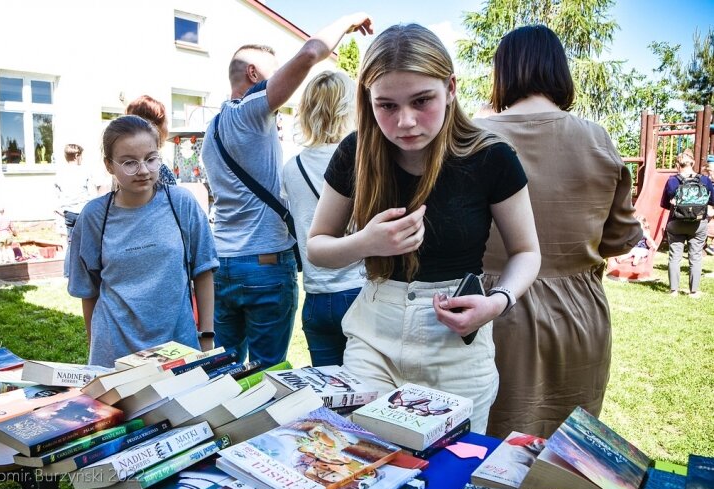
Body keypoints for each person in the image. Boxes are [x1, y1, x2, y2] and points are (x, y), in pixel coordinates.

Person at [306, 24, 541, 434]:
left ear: (450, 88)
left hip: (455, 344)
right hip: (373, 334)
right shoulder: (355, 153)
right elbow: (317, 247)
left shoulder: (491, 157)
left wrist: (497, 302)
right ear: (368, 101)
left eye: (421, 100)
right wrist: (366, 242)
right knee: (363, 458)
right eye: (387, 106)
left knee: (451, 475)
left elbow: (526, 251)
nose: (406, 122)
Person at [475, 25, 643, 439]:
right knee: (565, 446)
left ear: (503, 73)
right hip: (577, 315)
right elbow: (619, 238)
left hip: (490, 309)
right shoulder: (597, 139)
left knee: (486, 445)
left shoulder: (472, 137)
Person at [201, 13, 373, 367]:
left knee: (224, 370)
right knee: (268, 374)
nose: (283, 82)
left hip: (224, 263)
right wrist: (350, 22)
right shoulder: (249, 112)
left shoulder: (211, 131)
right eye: (275, 72)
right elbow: (310, 53)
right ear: (253, 74)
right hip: (264, 264)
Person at [67, 115, 218, 367]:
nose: (144, 170)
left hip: (178, 346)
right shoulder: (94, 216)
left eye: (151, 158)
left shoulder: (181, 203)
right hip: (114, 352)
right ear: (109, 165)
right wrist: (95, 349)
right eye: (129, 163)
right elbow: (88, 290)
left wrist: (206, 337)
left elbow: (203, 272)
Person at [280, 71, 364, 366]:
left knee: (330, 396)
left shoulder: (292, 168)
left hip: (315, 296)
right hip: (358, 289)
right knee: (368, 393)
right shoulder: (361, 159)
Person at [660, 149, 714, 298]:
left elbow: (664, 204)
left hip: (676, 222)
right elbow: (712, 201)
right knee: (695, 256)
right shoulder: (704, 180)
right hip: (698, 223)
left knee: (674, 256)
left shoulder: (671, 181)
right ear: (693, 163)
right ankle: (694, 291)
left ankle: (674, 290)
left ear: (678, 164)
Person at [54, 144, 103, 276]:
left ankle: (68, 272)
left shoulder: (60, 173)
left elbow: (57, 195)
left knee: (71, 242)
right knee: (88, 241)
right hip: (82, 211)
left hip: (68, 212)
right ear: (77, 156)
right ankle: (87, 271)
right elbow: (92, 194)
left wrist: (61, 210)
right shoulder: (84, 172)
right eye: (81, 156)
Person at [125, 95, 177, 186]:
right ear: (155, 128)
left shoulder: (121, 169)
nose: (167, 132)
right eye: (166, 123)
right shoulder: (159, 171)